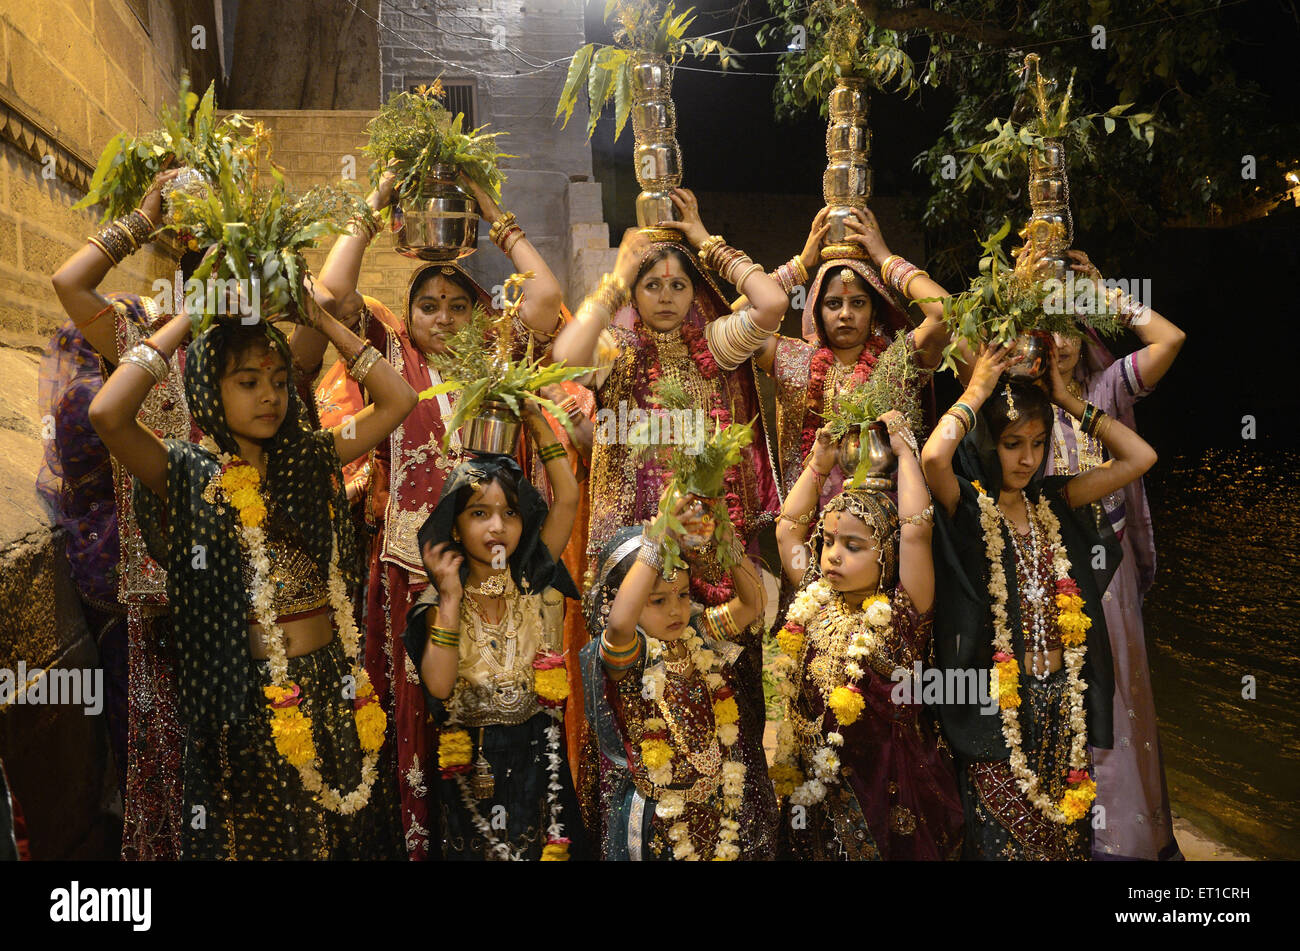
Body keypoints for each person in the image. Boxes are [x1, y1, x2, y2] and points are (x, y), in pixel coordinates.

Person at [295, 168, 570, 859]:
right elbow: (329, 294)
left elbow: (545, 301)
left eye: (456, 304)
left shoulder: (497, 359)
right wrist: (378, 199)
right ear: (409, 316)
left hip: (495, 583)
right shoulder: (392, 358)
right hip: (408, 574)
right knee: (414, 729)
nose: (443, 318)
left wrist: (489, 211)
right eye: (429, 305)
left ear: (477, 315)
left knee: (492, 728)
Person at [87, 282, 416, 859]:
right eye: (248, 382)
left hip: (332, 686)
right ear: (209, 390)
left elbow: (398, 401)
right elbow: (108, 414)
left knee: (344, 840)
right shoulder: (188, 474)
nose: (270, 396)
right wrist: (191, 319)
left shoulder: (311, 457)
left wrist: (320, 319)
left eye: (280, 382)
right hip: (247, 701)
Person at [552, 187, 784, 724]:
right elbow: (564, 359)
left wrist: (705, 241)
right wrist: (615, 278)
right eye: (651, 285)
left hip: (706, 545)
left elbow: (771, 303)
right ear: (635, 293)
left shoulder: (714, 345)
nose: (665, 296)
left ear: (693, 291)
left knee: (719, 686)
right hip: (632, 548)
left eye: (678, 285)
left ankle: (723, 794)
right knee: (635, 700)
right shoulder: (615, 348)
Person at [921, 343, 1157, 860]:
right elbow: (934, 456)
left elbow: (1140, 457)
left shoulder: (1055, 501)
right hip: (996, 711)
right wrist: (977, 389)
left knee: (1064, 840)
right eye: (1011, 443)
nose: (1027, 458)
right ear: (988, 439)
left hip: (1062, 706)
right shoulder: (968, 507)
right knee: (998, 845)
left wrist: (1067, 401)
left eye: (1037, 442)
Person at [771, 415, 963, 859]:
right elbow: (786, 529)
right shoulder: (815, 598)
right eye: (829, 541)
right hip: (813, 783)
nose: (834, 555)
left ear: (888, 553)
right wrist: (817, 467)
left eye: (854, 546)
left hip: (886, 785)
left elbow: (916, 529)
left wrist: (905, 455)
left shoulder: (902, 614)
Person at [1048, 250, 1186, 861]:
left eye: (1067, 329)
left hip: (1109, 573)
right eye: (1042, 331)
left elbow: (1169, 337)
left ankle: (1122, 839)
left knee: (1116, 696)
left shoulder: (1103, 389)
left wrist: (1105, 294)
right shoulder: (1014, 406)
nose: (1058, 343)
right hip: (1044, 568)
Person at [401, 429, 586, 861]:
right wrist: (449, 599)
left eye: (510, 514)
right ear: (455, 525)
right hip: (471, 763)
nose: (498, 527)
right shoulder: (439, 602)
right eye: (479, 513)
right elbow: (441, 687)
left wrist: (536, 422)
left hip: (538, 757)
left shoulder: (529, 580)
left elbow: (569, 499)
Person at [579, 504, 777, 860]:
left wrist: (727, 540)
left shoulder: (697, 635)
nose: (675, 610)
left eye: (683, 595)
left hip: (718, 809)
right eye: (657, 600)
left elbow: (754, 603)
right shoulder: (629, 658)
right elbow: (621, 625)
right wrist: (654, 548)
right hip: (659, 823)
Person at [755, 207, 952, 501]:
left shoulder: (897, 360)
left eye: (858, 303)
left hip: (890, 523)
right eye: (833, 304)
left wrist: (886, 259)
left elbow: (945, 311)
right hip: (813, 529)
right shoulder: (794, 360)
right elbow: (729, 325)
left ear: (874, 311)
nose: (845, 314)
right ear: (817, 311)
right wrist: (799, 265)